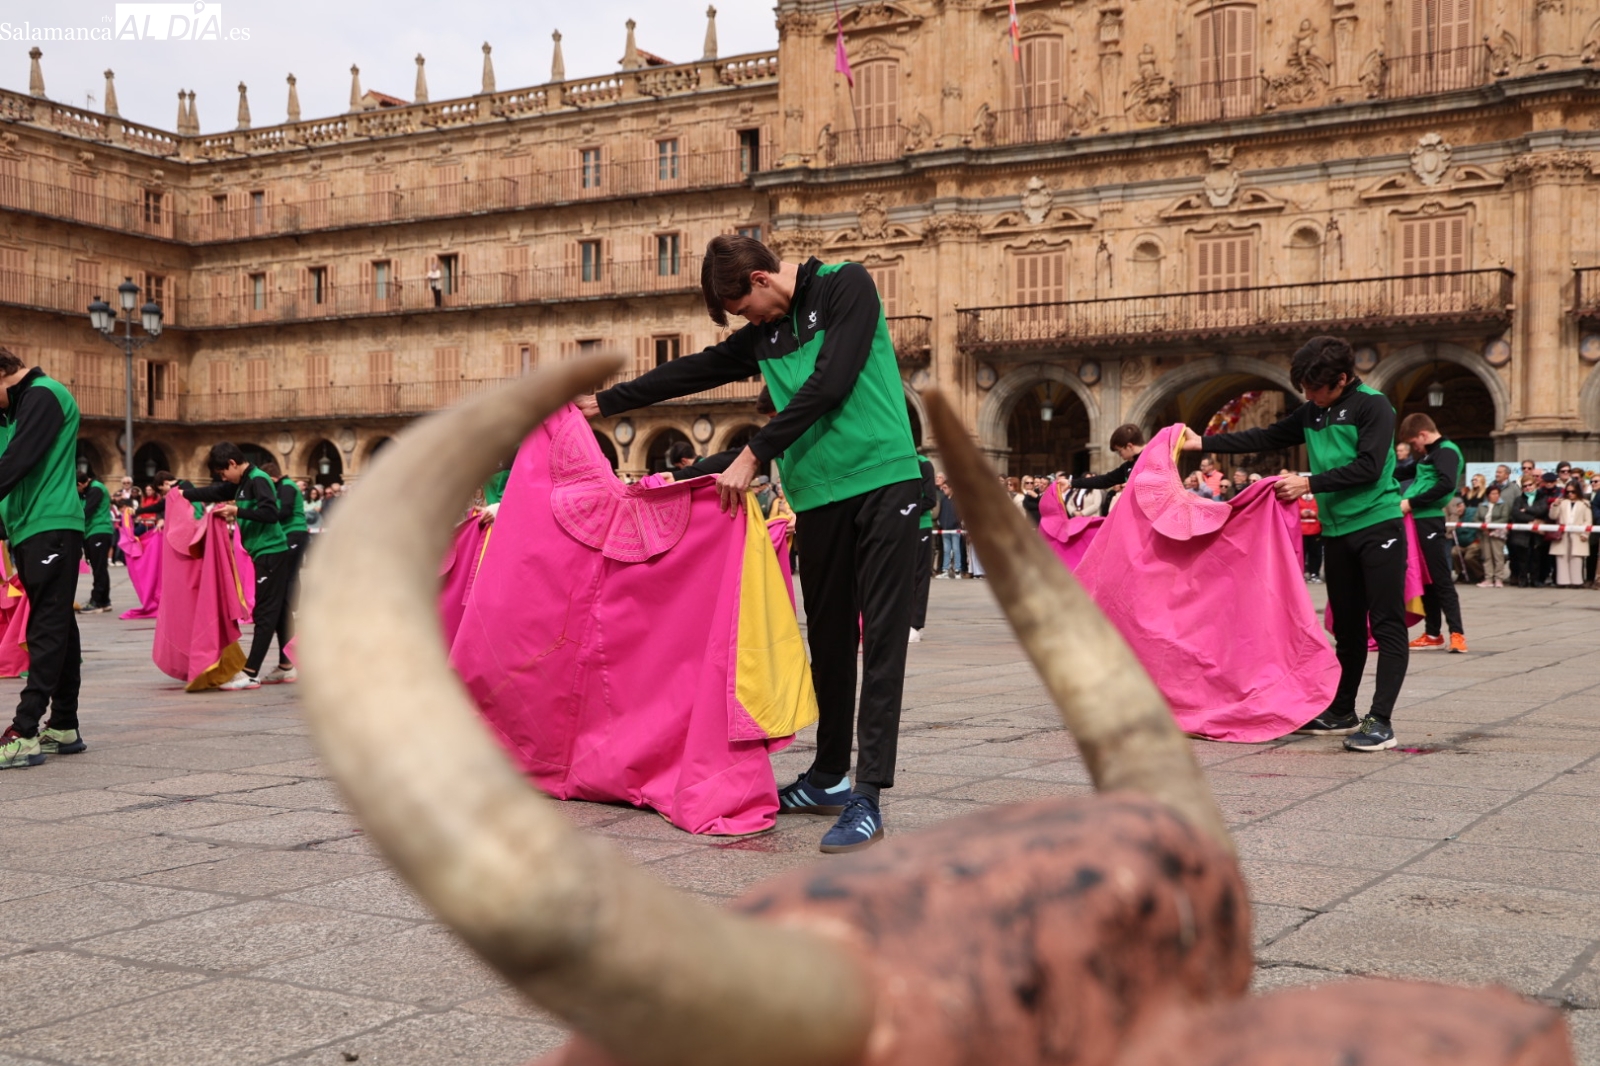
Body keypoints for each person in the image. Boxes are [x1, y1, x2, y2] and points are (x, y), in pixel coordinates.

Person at [575, 234, 923, 853]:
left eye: (745, 309)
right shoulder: (764, 335)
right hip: (820, 496)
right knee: (831, 641)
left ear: (763, 279)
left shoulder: (847, 284)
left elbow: (832, 380)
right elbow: (689, 372)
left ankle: (867, 793)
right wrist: (601, 402)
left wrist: (758, 451)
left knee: (885, 639)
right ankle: (826, 778)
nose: (749, 322)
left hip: (883, 479)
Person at [1182, 335, 1406, 753]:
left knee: (1387, 623)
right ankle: (1343, 711)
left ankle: (1382, 720)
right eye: (1303, 388)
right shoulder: (1312, 412)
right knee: (1349, 627)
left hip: (1378, 525)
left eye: (1315, 388)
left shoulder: (1372, 405)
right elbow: (1264, 437)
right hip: (1337, 531)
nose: (1309, 396)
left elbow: (1371, 467)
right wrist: (1201, 443)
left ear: (1341, 379)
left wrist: (1309, 482)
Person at [0, 348, 90, 769]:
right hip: (30, 528)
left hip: (50, 525)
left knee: (47, 626)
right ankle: (64, 725)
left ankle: (25, 729)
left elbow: (17, 462)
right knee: (59, 624)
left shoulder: (44, 393)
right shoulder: (16, 411)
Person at [182, 444, 293, 690]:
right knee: (281, 612)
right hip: (267, 552)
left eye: (223, 472)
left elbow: (270, 513)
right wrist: (182, 495)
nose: (223, 478)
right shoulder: (243, 482)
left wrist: (236, 510)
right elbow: (216, 491)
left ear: (232, 463)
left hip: (271, 552)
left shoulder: (258, 479)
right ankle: (287, 665)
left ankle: (251, 671)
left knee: (265, 613)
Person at [1397, 413, 1466, 653]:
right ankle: (1433, 633)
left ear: (1423, 435)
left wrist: (1411, 503)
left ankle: (1457, 633)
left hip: (1428, 520)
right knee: (1425, 578)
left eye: (1414, 443)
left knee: (1441, 578)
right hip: (1416, 520)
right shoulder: (1431, 454)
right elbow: (1407, 474)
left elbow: (1446, 485)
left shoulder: (1445, 451)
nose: (1414, 448)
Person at [262, 461, 309, 635]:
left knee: (289, 572)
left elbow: (286, 511)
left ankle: (292, 609)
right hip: (290, 532)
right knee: (290, 573)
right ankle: (291, 608)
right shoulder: (282, 486)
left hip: (294, 532)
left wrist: (267, 517)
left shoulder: (287, 487)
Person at [1064, 425, 1146, 501]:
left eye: (1119, 451)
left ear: (1129, 446)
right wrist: (1071, 483)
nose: (1120, 455)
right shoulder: (1127, 465)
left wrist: (1134, 485)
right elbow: (1104, 480)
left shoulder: (1153, 458)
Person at [76, 471, 115, 613]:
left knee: (99, 568)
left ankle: (96, 601)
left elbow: (87, 511)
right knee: (100, 568)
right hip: (93, 532)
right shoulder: (88, 490)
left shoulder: (96, 489)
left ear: (80, 484)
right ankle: (104, 601)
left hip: (99, 531)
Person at [909, 452, 936, 643]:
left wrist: (905, 509)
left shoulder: (924, 464)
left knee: (919, 576)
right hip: (898, 528)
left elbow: (930, 499)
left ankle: (916, 624)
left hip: (920, 526)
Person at [1550, 479, 1591, 587]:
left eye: (1573, 492)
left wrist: (1585, 534)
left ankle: (1576, 582)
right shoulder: (1562, 502)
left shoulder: (1585, 504)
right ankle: (1563, 582)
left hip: (1578, 534)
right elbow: (1553, 516)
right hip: (1563, 534)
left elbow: (1588, 521)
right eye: (1568, 492)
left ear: (1578, 491)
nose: (1570, 494)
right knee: (1561, 558)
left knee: (1576, 559)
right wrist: (1555, 505)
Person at [1507, 474, 1545, 587]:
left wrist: (1526, 509)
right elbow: (1516, 514)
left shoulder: (1541, 497)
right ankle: (1523, 579)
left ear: (1535, 485)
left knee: (1536, 559)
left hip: (1537, 534)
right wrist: (1532, 520)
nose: (1528, 487)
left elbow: (1542, 510)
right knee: (1522, 559)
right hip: (1522, 534)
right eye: (1525, 486)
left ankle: (1535, 580)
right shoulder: (1519, 499)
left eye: (1530, 485)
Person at [1476, 485, 1511, 588]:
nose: (1495, 496)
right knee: (1487, 556)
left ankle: (1499, 578)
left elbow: (1504, 518)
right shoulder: (1481, 506)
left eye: (1497, 494)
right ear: (1488, 495)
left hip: (1497, 533)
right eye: (1493, 494)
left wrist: (1490, 526)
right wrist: (1483, 527)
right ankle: (1488, 579)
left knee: (1498, 556)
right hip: (1484, 533)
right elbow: (1476, 518)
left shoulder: (1504, 505)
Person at [934, 474, 963, 578]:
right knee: (946, 549)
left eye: (945, 488)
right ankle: (945, 569)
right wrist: (941, 522)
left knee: (956, 549)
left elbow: (959, 514)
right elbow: (941, 512)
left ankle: (957, 570)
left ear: (951, 488)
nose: (943, 490)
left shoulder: (957, 500)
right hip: (945, 528)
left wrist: (955, 522)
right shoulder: (944, 499)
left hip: (955, 528)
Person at [1300, 489, 1322, 582]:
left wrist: (1315, 513)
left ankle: (1314, 573)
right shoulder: (1298, 499)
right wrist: (1300, 512)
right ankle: (1301, 573)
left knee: (1315, 553)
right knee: (1302, 554)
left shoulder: (1317, 498)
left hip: (1315, 529)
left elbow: (1323, 510)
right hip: (1301, 530)